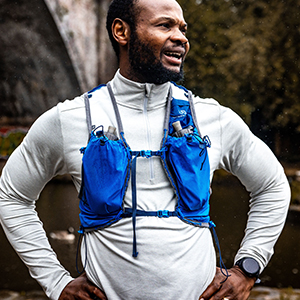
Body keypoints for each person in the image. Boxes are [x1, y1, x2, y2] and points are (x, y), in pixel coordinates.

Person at [0, 0, 290, 299]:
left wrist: (247, 268)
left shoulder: (214, 119)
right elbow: (11, 196)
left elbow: (272, 186)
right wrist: (55, 281)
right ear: (121, 31)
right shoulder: (68, 120)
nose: (181, 38)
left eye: (182, 28)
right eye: (165, 25)